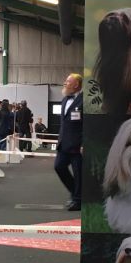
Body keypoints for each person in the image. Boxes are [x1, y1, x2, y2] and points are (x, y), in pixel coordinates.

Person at [55, 73, 83, 211]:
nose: (65, 83)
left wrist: (84, 143)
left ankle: (78, 200)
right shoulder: (65, 99)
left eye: (67, 81)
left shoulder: (84, 100)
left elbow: (87, 124)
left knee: (79, 174)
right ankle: (76, 193)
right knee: (59, 167)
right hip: (64, 143)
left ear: (76, 84)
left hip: (78, 145)